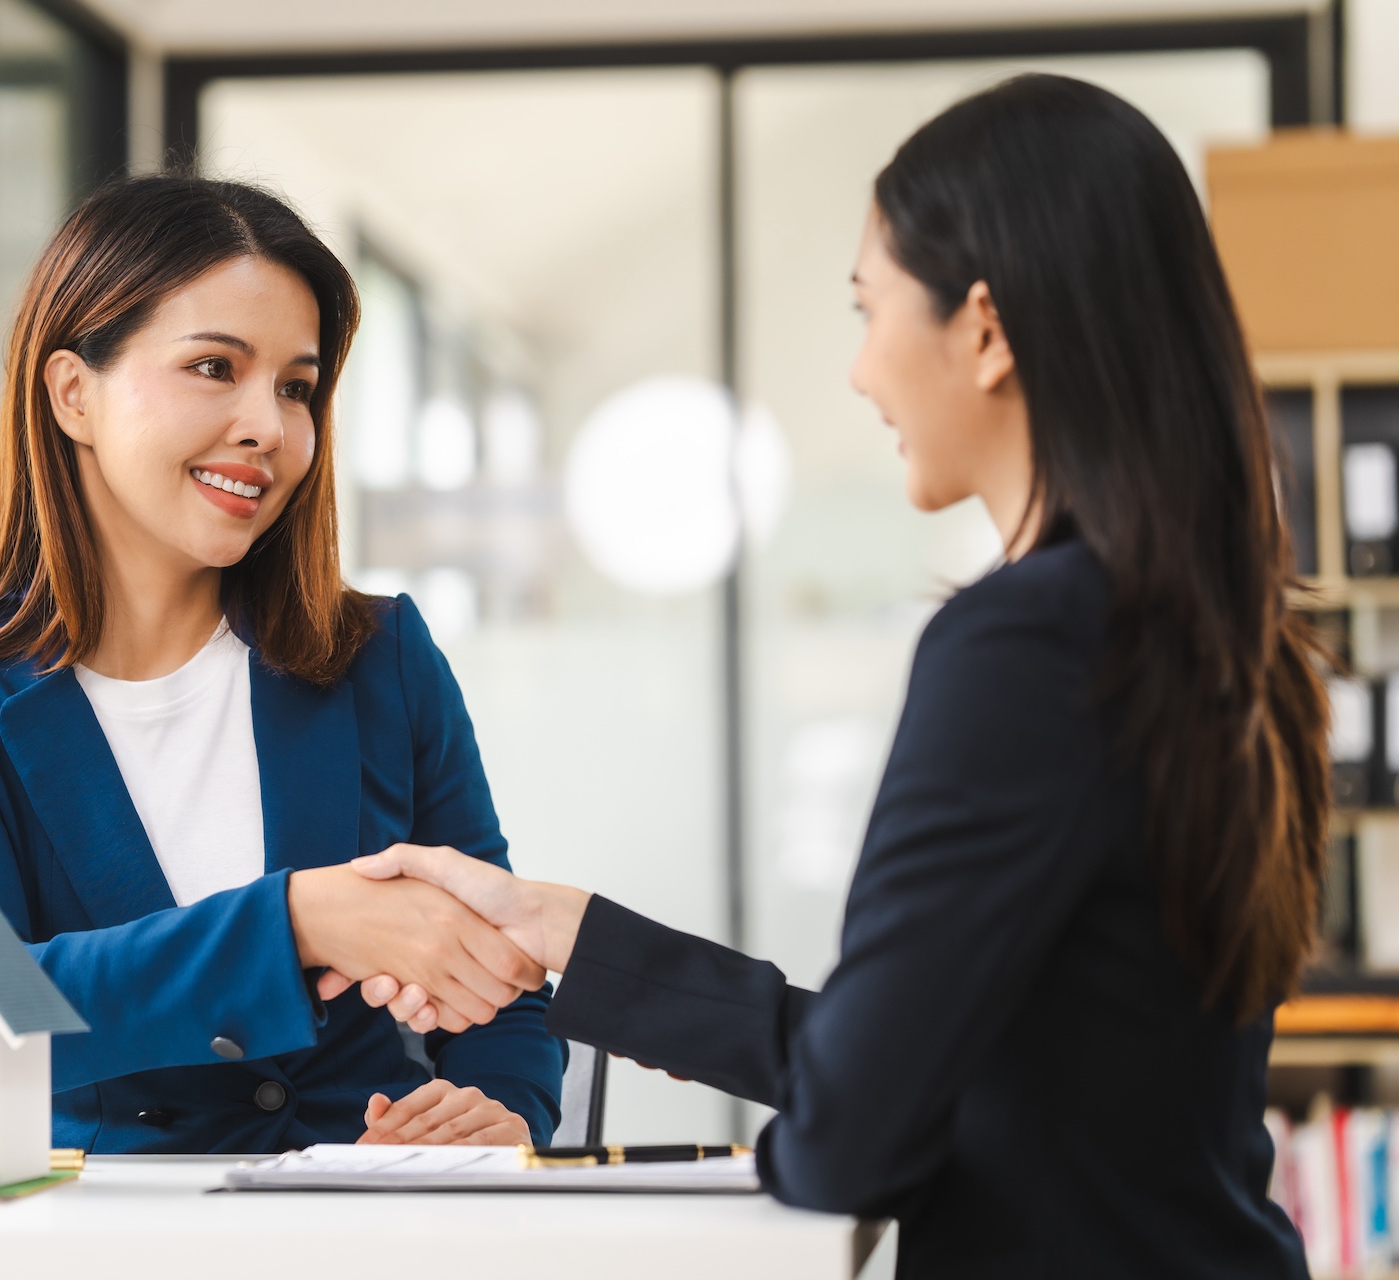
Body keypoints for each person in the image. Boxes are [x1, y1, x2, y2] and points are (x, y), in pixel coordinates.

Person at [344, 75, 1327, 1277]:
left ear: (985, 327)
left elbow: (851, 1136)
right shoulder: (1206, 628)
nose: (861, 372)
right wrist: (572, 932)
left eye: (870, 311)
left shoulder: (1023, 645)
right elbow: (974, 1072)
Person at [0, 175, 563, 1154]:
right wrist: (295, 922)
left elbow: (498, 974)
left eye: (296, 387)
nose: (269, 424)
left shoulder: (381, 659)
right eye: (215, 366)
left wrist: (500, 1111)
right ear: (72, 392)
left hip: (374, 1233)